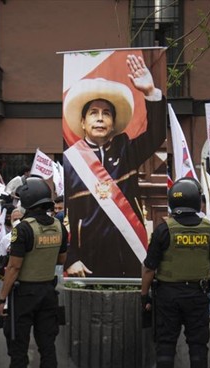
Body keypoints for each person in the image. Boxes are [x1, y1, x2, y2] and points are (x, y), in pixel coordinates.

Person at [63, 53, 166, 278]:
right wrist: (70, 259)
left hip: (130, 255)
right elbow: (65, 217)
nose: (100, 118)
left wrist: (150, 93)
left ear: (113, 123)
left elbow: (157, 134)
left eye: (106, 113)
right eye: (93, 113)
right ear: (82, 122)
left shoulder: (127, 151)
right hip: (87, 261)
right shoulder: (70, 161)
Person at [141, 178, 210, 368]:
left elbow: (149, 268)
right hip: (197, 295)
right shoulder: (208, 229)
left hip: (167, 296)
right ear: (197, 200)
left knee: (165, 345)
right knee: (198, 347)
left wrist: (144, 296)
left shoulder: (164, 228)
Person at [0, 178, 68, 368]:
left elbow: (14, 268)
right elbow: (61, 260)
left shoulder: (22, 229)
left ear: (27, 201)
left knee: (18, 346)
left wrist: (1, 299)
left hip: (23, 295)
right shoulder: (59, 226)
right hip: (48, 292)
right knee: (47, 345)